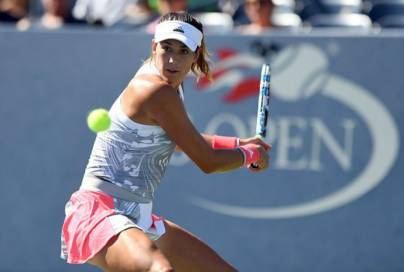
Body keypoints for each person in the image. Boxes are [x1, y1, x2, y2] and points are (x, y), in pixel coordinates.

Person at [61, 11, 271, 272]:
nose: (173, 59)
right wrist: (249, 155)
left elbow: (180, 140)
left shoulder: (171, 86)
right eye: (166, 48)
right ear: (153, 47)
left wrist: (239, 143)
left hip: (140, 214)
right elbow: (207, 162)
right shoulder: (156, 90)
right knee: (159, 270)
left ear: (196, 55)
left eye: (183, 51)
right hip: (101, 212)